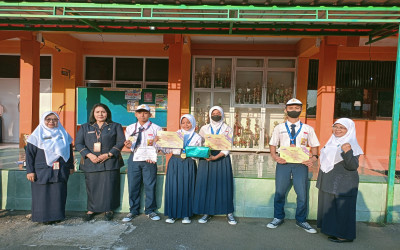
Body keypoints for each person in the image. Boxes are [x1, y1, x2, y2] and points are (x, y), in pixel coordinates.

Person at [267, 98, 320, 233]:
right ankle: (278, 217)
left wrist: (313, 159)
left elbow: (314, 146)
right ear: (286, 110)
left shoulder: (308, 128)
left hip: (301, 164)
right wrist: (275, 157)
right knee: (280, 192)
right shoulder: (279, 127)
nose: (294, 110)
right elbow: (273, 144)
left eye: (297, 108)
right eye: (291, 108)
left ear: (301, 110)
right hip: (283, 164)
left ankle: (301, 220)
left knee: (302, 193)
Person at [75, 103, 125, 221]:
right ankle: (91, 209)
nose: (100, 114)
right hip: (91, 161)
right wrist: (90, 155)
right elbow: (78, 143)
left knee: (109, 186)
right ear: (93, 113)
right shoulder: (85, 127)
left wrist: (108, 155)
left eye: (103, 111)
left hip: (110, 160)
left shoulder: (115, 126)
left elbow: (120, 142)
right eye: (97, 112)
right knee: (92, 186)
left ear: (107, 113)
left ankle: (109, 209)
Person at [317, 118, 363, 243]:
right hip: (330, 181)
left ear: (349, 130)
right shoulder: (332, 141)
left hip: (344, 183)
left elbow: (353, 166)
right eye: (335, 126)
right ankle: (333, 231)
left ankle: (344, 235)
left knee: (343, 209)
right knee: (331, 208)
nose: (337, 130)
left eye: (342, 127)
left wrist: (347, 151)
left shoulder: (351, 143)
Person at [26, 111, 74, 224]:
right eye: (48, 119)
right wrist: (30, 171)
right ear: (43, 120)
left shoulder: (63, 134)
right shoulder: (36, 136)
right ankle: (42, 217)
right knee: (42, 194)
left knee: (58, 192)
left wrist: (71, 166)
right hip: (42, 170)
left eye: (54, 119)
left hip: (60, 169)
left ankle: (57, 216)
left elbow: (70, 152)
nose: (51, 122)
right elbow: (29, 155)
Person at [193, 106, 237, 225]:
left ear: (222, 115)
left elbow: (228, 146)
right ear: (209, 115)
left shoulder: (227, 129)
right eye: (214, 113)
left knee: (224, 186)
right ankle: (206, 212)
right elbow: (199, 143)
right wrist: (204, 154)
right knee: (206, 185)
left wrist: (216, 157)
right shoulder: (204, 128)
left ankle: (229, 213)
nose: (216, 114)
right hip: (206, 159)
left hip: (221, 159)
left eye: (218, 113)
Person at [122, 104, 162, 222]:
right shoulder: (130, 128)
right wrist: (128, 145)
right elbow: (130, 145)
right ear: (136, 114)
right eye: (140, 112)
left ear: (150, 114)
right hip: (134, 158)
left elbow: (160, 147)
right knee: (133, 185)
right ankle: (133, 210)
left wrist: (156, 145)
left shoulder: (157, 128)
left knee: (150, 185)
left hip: (149, 160)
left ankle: (150, 210)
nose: (142, 115)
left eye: (145, 113)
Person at [162, 114, 202, 224]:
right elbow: (166, 150)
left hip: (189, 162)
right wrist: (160, 142)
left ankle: (186, 214)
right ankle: (172, 214)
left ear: (193, 123)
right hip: (175, 161)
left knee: (188, 187)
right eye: (183, 122)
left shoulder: (197, 137)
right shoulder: (175, 135)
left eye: (188, 122)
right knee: (173, 187)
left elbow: (198, 153)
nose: (185, 125)